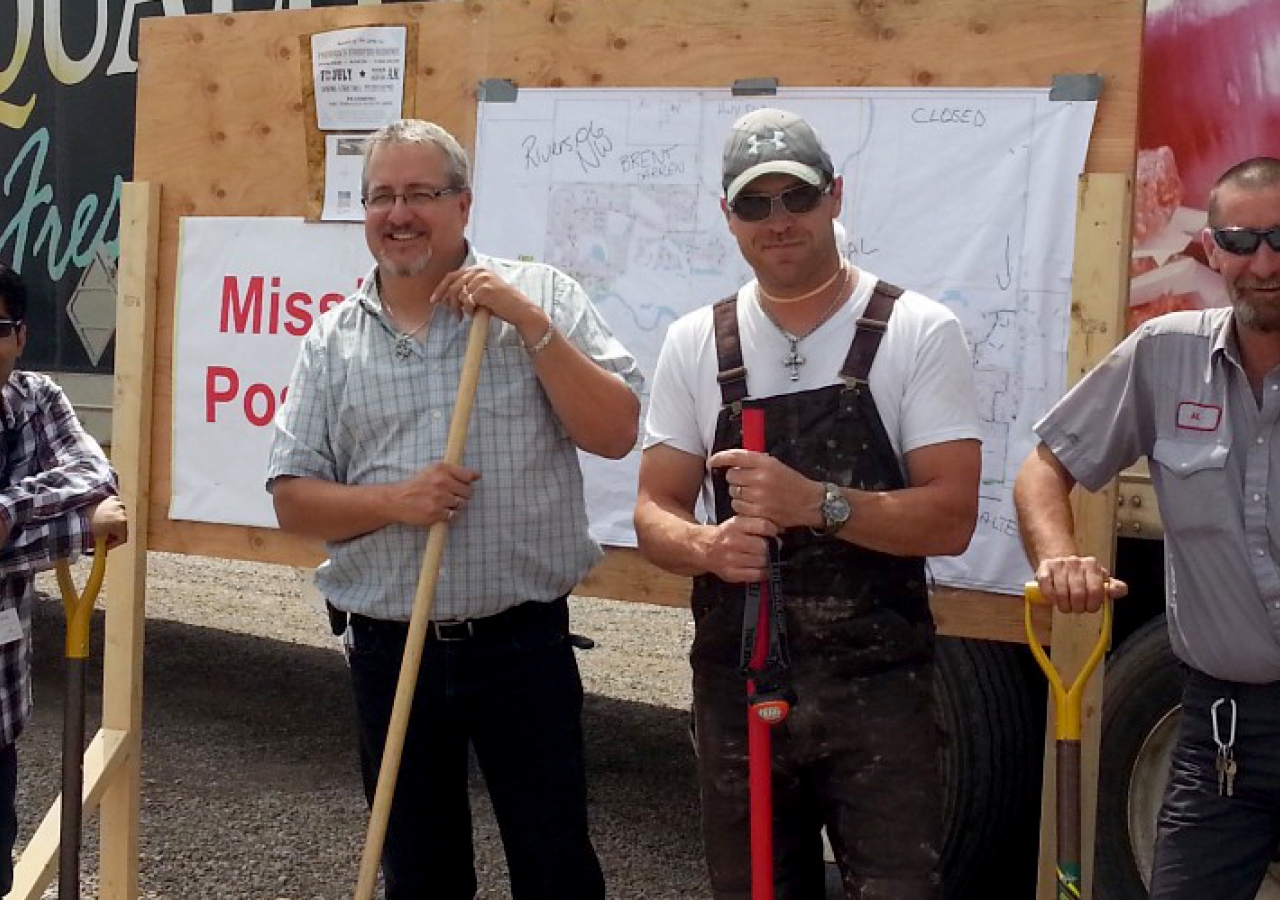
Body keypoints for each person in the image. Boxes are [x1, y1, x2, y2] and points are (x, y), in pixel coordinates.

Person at [265, 119, 642, 900]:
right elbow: (293, 501)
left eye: (421, 194)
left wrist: (529, 325)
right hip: (389, 648)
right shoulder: (334, 342)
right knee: (423, 876)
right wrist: (395, 502)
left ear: (463, 205)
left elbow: (614, 432)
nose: (399, 214)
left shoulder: (539, 300)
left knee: (556, 869)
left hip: (523, 650)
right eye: (382, 197)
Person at [633, 108, 983, 900]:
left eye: (797, 197)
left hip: (879, 695)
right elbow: (654, 511)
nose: (778, 220)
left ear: (835, 197)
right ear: (729, 217)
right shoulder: (697, 341)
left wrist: (815, 503)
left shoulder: (917, 331)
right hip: (740, 691)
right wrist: (705, 548)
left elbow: (951, 516)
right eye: (755, 204)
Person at [1013, 155, 1280, 900]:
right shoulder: (1166, 354)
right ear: (1213, 249)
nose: (1264, 262)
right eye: (1243, 240)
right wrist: (1060, 556)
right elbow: (1043, 469)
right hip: (1222, 733)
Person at [0, 261, 127, 894]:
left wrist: (7, 511)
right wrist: (79, 528)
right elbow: (93, 512)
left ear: (20, 335)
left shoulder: (36, 399)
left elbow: (96, 479)